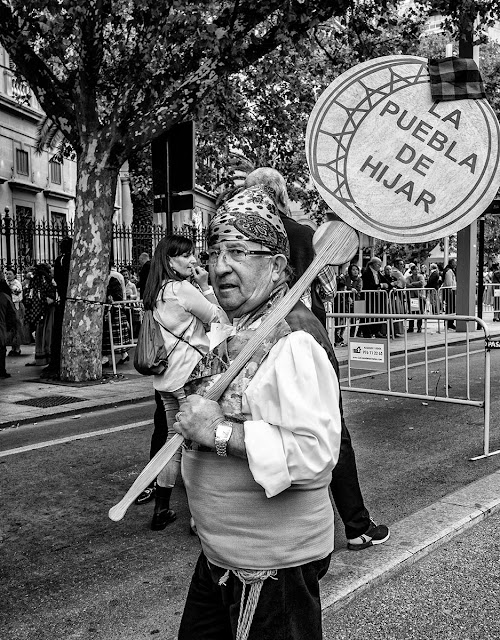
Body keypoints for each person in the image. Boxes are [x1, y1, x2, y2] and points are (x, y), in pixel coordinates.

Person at [173, 186, 388, 639]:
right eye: (214, 250)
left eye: (238, 251)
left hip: (270, 568)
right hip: (222, 557)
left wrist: (215, 432)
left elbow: (314, 453)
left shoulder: (294, 341)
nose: (219, 265)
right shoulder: (235, 328)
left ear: (276, 267)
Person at [243, 167, 387, 552]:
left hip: (249, 338)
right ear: (282, 194)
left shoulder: (243, 234)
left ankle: (260, 526)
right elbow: (326, 288)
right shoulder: (304, 234)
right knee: (328, 427)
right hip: (301, 334)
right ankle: (355, 525)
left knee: (258, 422)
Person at [141, 235, 228, 531]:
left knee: (172, 441)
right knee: (196, 445)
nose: (193, 260)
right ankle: (198, 517)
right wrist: (205, 287)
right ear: (169, 261)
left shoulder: (156, 291)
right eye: (187, 255)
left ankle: (161, 510)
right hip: (189, 380)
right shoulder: (182, 289)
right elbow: (219, 318)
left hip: (164, 381)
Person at [244, 167, 336, 327]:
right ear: (284, 196)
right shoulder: (308, 236)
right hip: (302, 324)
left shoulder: (239, 234)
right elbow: (329, 289)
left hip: (253, 328)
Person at [41, 237, 72, 380]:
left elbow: (58, 279)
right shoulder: (71, 260)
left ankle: (55, 362)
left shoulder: (60, 259)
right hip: (69, 298)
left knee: (57, 332)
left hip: (62, 298)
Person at [24, 263, 57, 367]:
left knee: (44, 333)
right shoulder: (43, 281)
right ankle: (42, 357)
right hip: (43, 311)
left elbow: (49, 299)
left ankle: (43, 357)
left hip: (44, 311)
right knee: (43, 333)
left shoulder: (43, 281)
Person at [360, 256, 390, 338]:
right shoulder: (366, 273)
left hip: (376, 297)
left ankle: (376, 331)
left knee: (377, 314)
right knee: (367, 315)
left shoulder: (378, 273)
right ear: (372, 264)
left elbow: (386, 281)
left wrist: (391, 286)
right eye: (378, 265)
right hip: (368, 297)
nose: (379, 267)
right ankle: (367, 332)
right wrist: (380, 285)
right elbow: (369, 285)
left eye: (380, 265)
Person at [0, 281, 17, 379]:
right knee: (1, 350)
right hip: (2, 327)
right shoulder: (5, 297)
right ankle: (1, 371)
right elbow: (11, 315)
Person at [5, 268, 23, 356]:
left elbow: (17, 293)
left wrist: (11, 287)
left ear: (14, 275)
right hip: (9, 306)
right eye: (7, 274)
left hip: (16, 305)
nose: (8, 276)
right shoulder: (6, 283)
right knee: (11, 327)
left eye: (10, 274)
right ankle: (12, 347)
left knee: (17, 326)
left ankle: (17, 348)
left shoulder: (16, 283)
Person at [405, 263, 425, 333]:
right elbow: (407, 284)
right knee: (412, 312)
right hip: (413, 297)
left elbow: (422, 283)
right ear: (412, 270)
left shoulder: (420, 276)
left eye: (417, 269)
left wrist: (413, 284)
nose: (416, 271)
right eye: (414, 270)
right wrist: (416, 285)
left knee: (420, 312)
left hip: (420, 296)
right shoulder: (409, 277)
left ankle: (419, 327)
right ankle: (411, 327)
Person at [390, 258, 406, 337]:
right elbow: (402, 281)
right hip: (395, 295)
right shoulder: (394, 272)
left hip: (399, 294)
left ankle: (398, 330)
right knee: (395, 311)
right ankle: (395, 330)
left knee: (398, 311)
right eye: (400, 264)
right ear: (396, 265)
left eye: (403, 264)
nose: (402, 266)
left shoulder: (398, 272)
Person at [441, 258, 457, 330]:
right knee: (450, 307)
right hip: (449, 291)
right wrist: (451, 290)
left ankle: (450, 322)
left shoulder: (448, 270)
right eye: (454, 263)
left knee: (450, 307)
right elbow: (449, 283)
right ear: (451, 263)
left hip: (449, 290)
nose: (456, 264)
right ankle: (449, 323)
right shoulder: (449, 271)